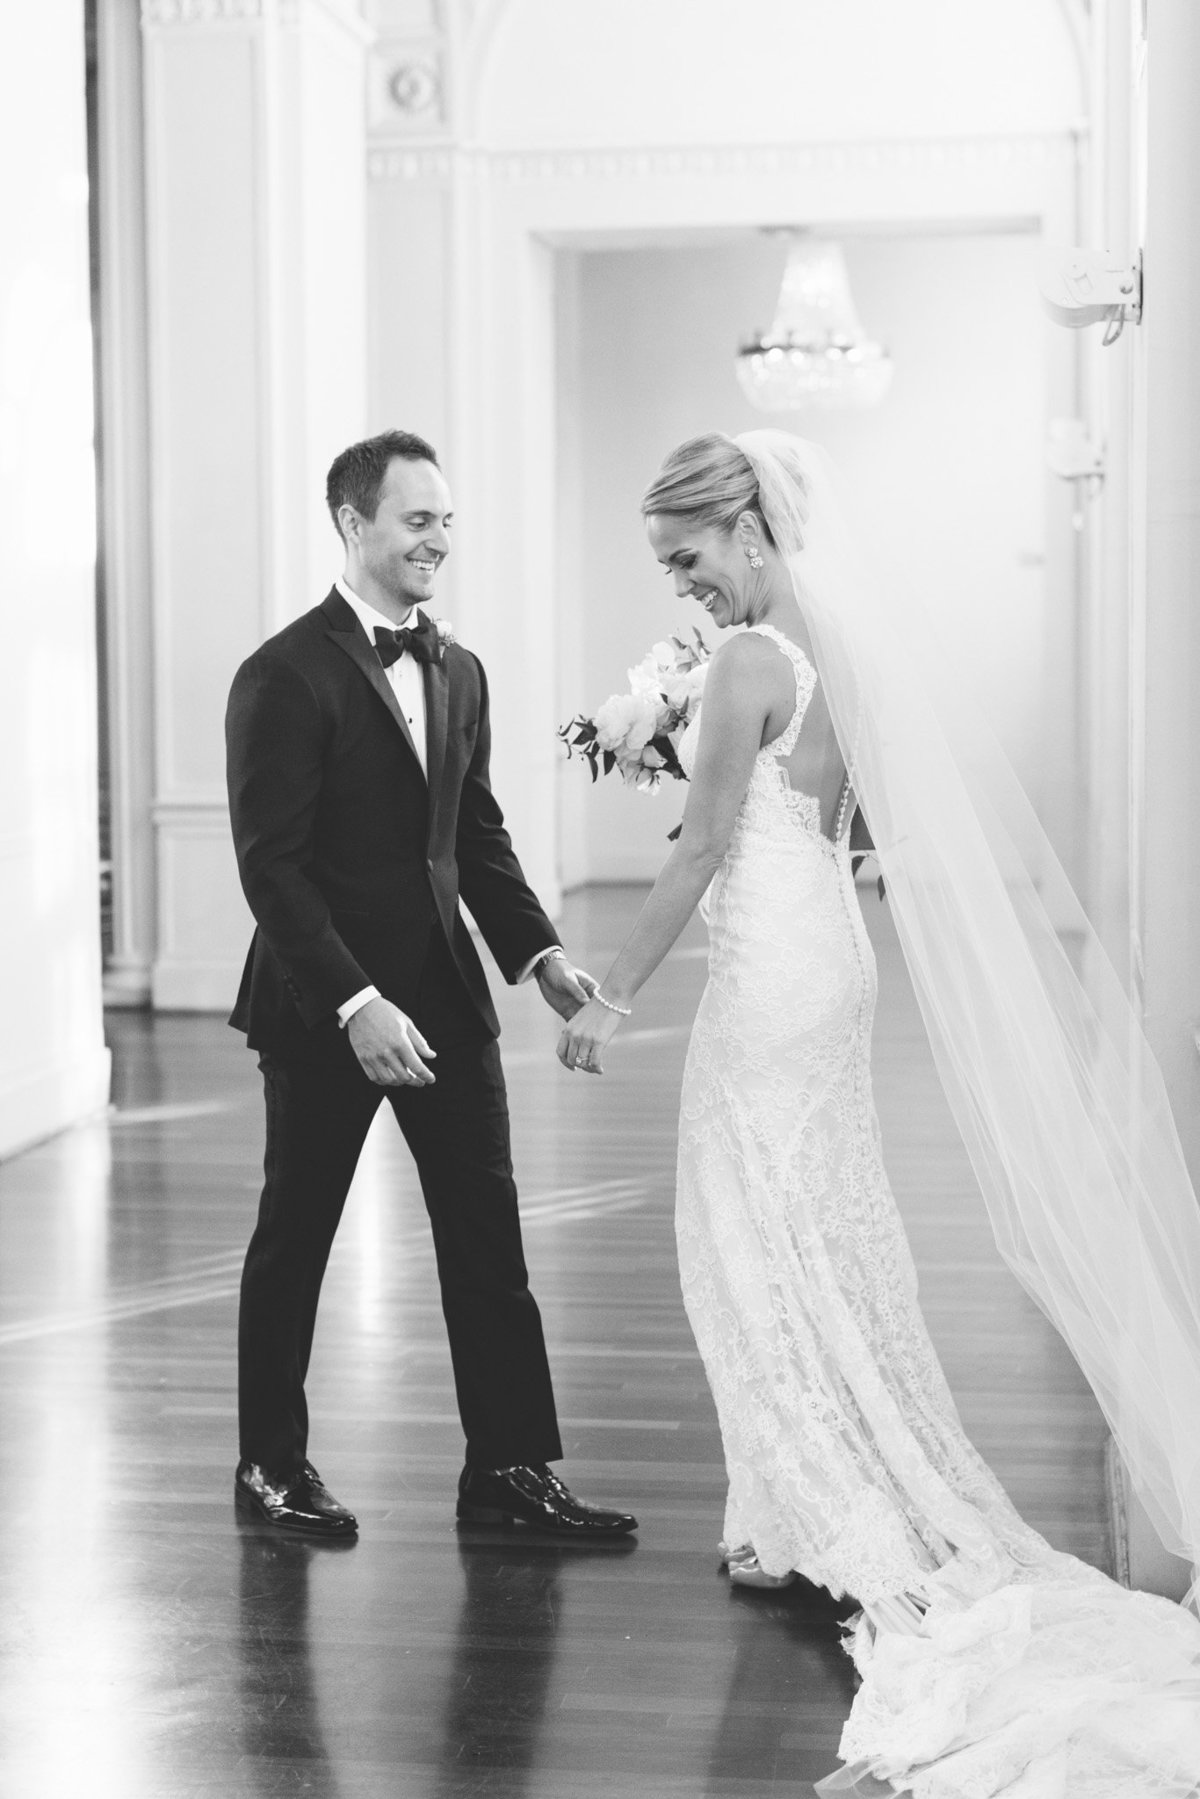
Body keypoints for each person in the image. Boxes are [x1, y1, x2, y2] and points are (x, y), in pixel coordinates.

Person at [558, 430, 1200, 1793]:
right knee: (810, 1225)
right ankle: (788, 1498)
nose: (686, 589)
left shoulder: (746, 663)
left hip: (770, 966)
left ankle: (814, 1508)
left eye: (687, 558)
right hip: (830, 955)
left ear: (743, 527)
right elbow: (828, 815)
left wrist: (606, 991)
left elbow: (704, 847)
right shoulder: (834, 643)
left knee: (749, 1234)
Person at [226, 427, 636, 1544]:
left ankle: (507, 1466)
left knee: (487, 1240)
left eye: (447, 519)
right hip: (326, 1009)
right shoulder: (282, 671)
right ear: (354, 525)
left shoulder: (459, 669)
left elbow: (477, 836)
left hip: (449, 997)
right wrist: (357, 1003)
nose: (439, 540)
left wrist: (540, 955)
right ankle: (270, 1464)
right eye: (418, 520)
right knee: (296, 1235)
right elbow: (271, 863)